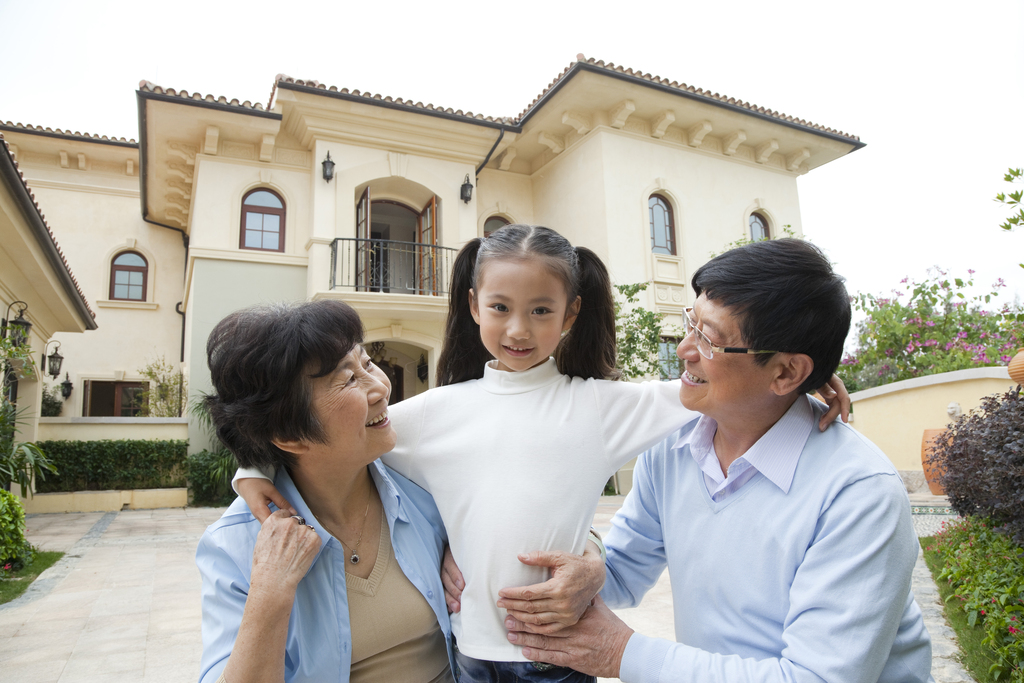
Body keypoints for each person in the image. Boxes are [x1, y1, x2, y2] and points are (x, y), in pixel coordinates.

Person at [235, 226, 850, 683]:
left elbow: (723, 389)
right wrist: (254, 467)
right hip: (469, 653)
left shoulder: (602, 408)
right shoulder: (437, 412)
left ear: (571, 315)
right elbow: (334, 437)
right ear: (474, 305)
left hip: (560, 653)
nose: (518, 330)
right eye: (499, 308)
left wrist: (805, 382)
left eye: (540, 311)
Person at [484, 238, 933, 682]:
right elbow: (619, 569)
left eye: (709, 339)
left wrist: (621, 653)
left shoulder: (858, 492)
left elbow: (816, 678)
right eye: (690, 323)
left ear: (786, 372)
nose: (684, 349)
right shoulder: (677, 440)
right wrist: (524, 563)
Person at [195, 300, 454, 683]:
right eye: (348, 380)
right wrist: (270, 592)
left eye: (366, 363)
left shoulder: (418, 481)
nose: (381, 388)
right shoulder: (236, 546)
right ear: (288, 434)